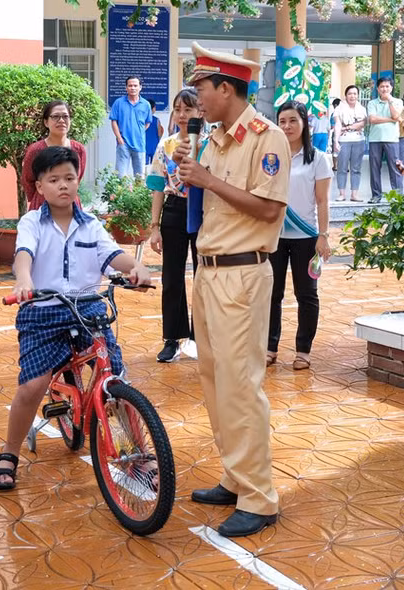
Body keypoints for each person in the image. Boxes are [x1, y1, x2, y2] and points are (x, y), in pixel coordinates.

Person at [173, 42, 290, 537]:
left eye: (202, 88)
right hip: (208, 271)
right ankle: (235, 477)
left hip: (243, 274)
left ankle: (260, 497)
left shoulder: (267, 138)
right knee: (215, 379)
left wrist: (207, 180)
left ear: (227, 87)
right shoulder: (213, 138)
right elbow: (191, 190)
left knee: (242, 386)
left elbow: (268, 210)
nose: (196, 97)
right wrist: (185, 169)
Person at [0, 146, 153, 490]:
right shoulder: (32, 222)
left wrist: (135, 267)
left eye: (70, 178)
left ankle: (138, 450)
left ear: (78, 181)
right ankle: (9, 452)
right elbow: (23, 255)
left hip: (88, 309)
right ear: (39, 187)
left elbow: (113, 254)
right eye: (54, 179)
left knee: (115, 376)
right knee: (33, 386)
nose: (63, 185)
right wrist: (24, 280)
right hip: (43, 311)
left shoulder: (91, 224)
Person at [267, 101, 332, 371]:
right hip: (274, 236)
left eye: (293, 120)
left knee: (306, 295)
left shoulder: (318, 158)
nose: (287, 126)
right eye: (282, 121)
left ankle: (303, 350)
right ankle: (270, 346)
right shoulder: (271, 157)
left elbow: (322, 200)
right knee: (271, 293)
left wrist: (323, 235)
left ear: (305, 123)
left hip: (306, 236)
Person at [147, 88, 201, 363]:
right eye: (178, 109)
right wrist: (154, 226)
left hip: (204, 213)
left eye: (188, 109)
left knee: (204, 277)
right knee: (172, 278)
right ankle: (172, 338)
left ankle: (199, 336)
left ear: (199, 112)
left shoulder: (210, 143)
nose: (182, 115)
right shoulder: (165, 144)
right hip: (175, 211)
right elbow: (157, 185)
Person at [22, 101, 87, 211]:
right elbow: (28, 179)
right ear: (46, 122)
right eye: (55, 116)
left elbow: (77, 178)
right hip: (43, 205)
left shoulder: (78, 149)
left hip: (71, 205)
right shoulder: (35, 150)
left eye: (65, 116)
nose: (61, 120)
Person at [366, 77, 402, 203]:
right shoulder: (372, 103)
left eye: (387, 86)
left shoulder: (397, 102)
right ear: (377, 88)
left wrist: (389, 101)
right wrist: (391, 120)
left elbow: (396, 115)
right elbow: (372, 120)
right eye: (382, 86)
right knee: (374, 168)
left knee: (395, 168)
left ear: (391, 88)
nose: (384, 89)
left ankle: (397, 196)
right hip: (375, 139)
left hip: (392, 140)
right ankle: (376, 195)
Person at [109, 76, 153, 177]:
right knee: (120, 175)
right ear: (126, 88)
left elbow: (147, 122)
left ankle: (137, 193)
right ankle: (120, 193)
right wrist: (119, 138)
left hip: (140, 144)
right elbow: (113, 121)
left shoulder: (146, 104)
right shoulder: (119, 103)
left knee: (139, 176)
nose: (133, 88)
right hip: (123, 143)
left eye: (135, 85)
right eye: (130, 86)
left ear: (140, 87)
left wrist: (139, 132)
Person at [333, 85, 367, 202]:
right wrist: (336, 140)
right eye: (350, 94)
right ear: (345, 95)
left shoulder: (362, 109)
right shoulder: (339, 109)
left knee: (356, 168)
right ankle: (342, 193)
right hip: (344, 141)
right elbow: (338, 124)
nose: (352, 96)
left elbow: (362, 124)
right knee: (342, 168)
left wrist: (346, 127)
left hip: (359, 140)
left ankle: (354, 194)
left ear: (358, 95)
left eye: (355, 94)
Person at [144, 99, 165, 165]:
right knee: (154, 166)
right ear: (153, 109)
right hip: (154, 145)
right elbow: (160, 132)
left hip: (144, 145)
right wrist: (158, 139)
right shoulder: (156, 120)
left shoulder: (142, 119)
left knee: (144, 166)